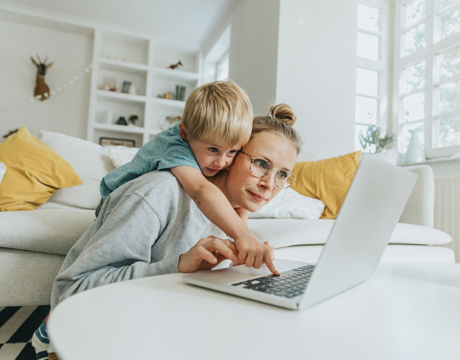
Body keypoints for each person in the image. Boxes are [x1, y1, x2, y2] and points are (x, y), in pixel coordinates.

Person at [34, 104, 302, 360]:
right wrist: (178, 265)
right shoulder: (156, 194)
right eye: (261, 164)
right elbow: (73, 292)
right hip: (99, 337)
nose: (269, 184)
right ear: (231, 152)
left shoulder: (233, 216)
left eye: (282, 174)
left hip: (165, 327)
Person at [97, 80, 276, 274]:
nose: (221, 162)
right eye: (213, 149)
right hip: (115, 200)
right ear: (184, 132)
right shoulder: (176, 147)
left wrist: (243, 240)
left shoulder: (205, 146)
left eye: (232, 152)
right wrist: (243, 235)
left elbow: (238, 204)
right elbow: (201, 190)